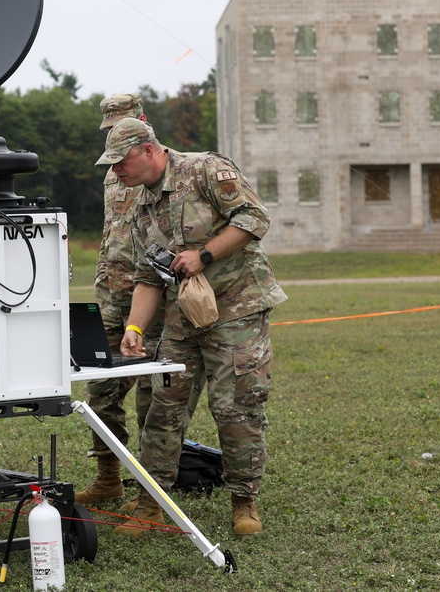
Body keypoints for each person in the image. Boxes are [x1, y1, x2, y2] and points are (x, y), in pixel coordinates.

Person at [94, 117, 287, 538]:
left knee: (236, 409)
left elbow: (255, 217)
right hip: (182, 319)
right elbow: (147, 276)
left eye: (120, 161)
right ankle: (151, 504)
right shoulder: (142, 206)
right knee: (161, 411)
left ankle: (244, 501)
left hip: (236, 310)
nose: (115, 172)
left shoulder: (204, 170)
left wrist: (204, 254)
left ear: (147, 149)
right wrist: (136, 329)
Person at [74, 93, 165, 508]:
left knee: (153, 395)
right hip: (111, 296)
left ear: (141, 123)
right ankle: (109, 477)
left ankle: (152, 488)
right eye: (107, 129)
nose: (112, 136)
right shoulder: (114, 174)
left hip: (152, 300)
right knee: (101, 389)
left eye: (120, 127)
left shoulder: (161, 170)